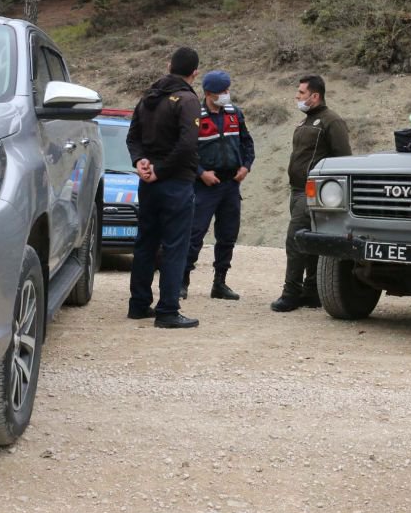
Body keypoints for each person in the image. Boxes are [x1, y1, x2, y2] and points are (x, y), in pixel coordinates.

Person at [126, 46, 202, 329]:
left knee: (145, 242)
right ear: (195, 73)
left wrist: (140, 162)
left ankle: (138, 304)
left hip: (148, 183)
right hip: (175, 182)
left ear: (169, 65)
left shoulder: (149, 97)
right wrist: (160, 170)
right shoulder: (187, 100)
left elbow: (132, 136)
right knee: (174, 246)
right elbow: (187, 145)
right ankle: (168, 310)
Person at [271, 75, 351, 312]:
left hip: (313, 193)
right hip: (296, 191)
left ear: (315, 96)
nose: (297, 97)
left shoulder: (332, 121)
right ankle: (312, 292)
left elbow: (343, 160)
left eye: (301, 93)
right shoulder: (306, 121)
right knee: (307, 242)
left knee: (295, 240)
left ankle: (291, 293)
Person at [182, 69, 255, 301]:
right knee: (195, 234)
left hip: (231, 184)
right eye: (222, 91)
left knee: (228, 235)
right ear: (209, 93)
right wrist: (201, 173)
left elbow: (247, 143)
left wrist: (246, 166)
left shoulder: (235, 114)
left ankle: (220, 283)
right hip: (204, 186)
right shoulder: (196, 116)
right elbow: (187, 151)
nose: (226, 94)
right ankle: (182, 281)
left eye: (227, 90)